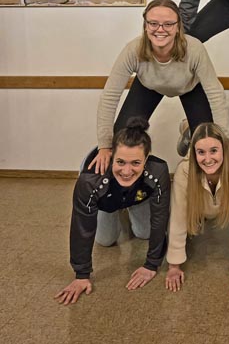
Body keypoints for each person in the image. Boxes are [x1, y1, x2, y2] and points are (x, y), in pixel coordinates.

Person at [89, 0, 229, 174]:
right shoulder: (133, 50)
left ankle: (189, 128)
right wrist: (104, 145)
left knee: (207, 142)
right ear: (146, 26)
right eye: (154, 23)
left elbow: (216, 95)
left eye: (168, 24)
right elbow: (110, 96)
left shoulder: (194, 49)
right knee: (122, 138)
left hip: (190, 87)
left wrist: (226, 142)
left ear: (178, 26)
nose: (160, 29)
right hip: (148, 86)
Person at [54, 118, 170, 305]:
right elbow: (82, 227)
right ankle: (117, 208)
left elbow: (160, 217)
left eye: (135, 163)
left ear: (146, 160)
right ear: (111, 156)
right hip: (105, 197)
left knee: (145, 233)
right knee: (106, 240)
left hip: (137, 195)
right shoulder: (90, 180)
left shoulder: (158, 170)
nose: (126, 170)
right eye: (120, 162)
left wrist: (151, 265)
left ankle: (129, 204)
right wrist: (81, 275)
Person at [165, 123, 229, 292]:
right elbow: (178, 217)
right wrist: (174, 267)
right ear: (194, 153)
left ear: (225, 148)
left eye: (214, 151)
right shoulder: (184, 170)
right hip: (202, 208)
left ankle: (188, 127)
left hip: (223, 206)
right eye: (201, 152)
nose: (207, 159)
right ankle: (187, 130)